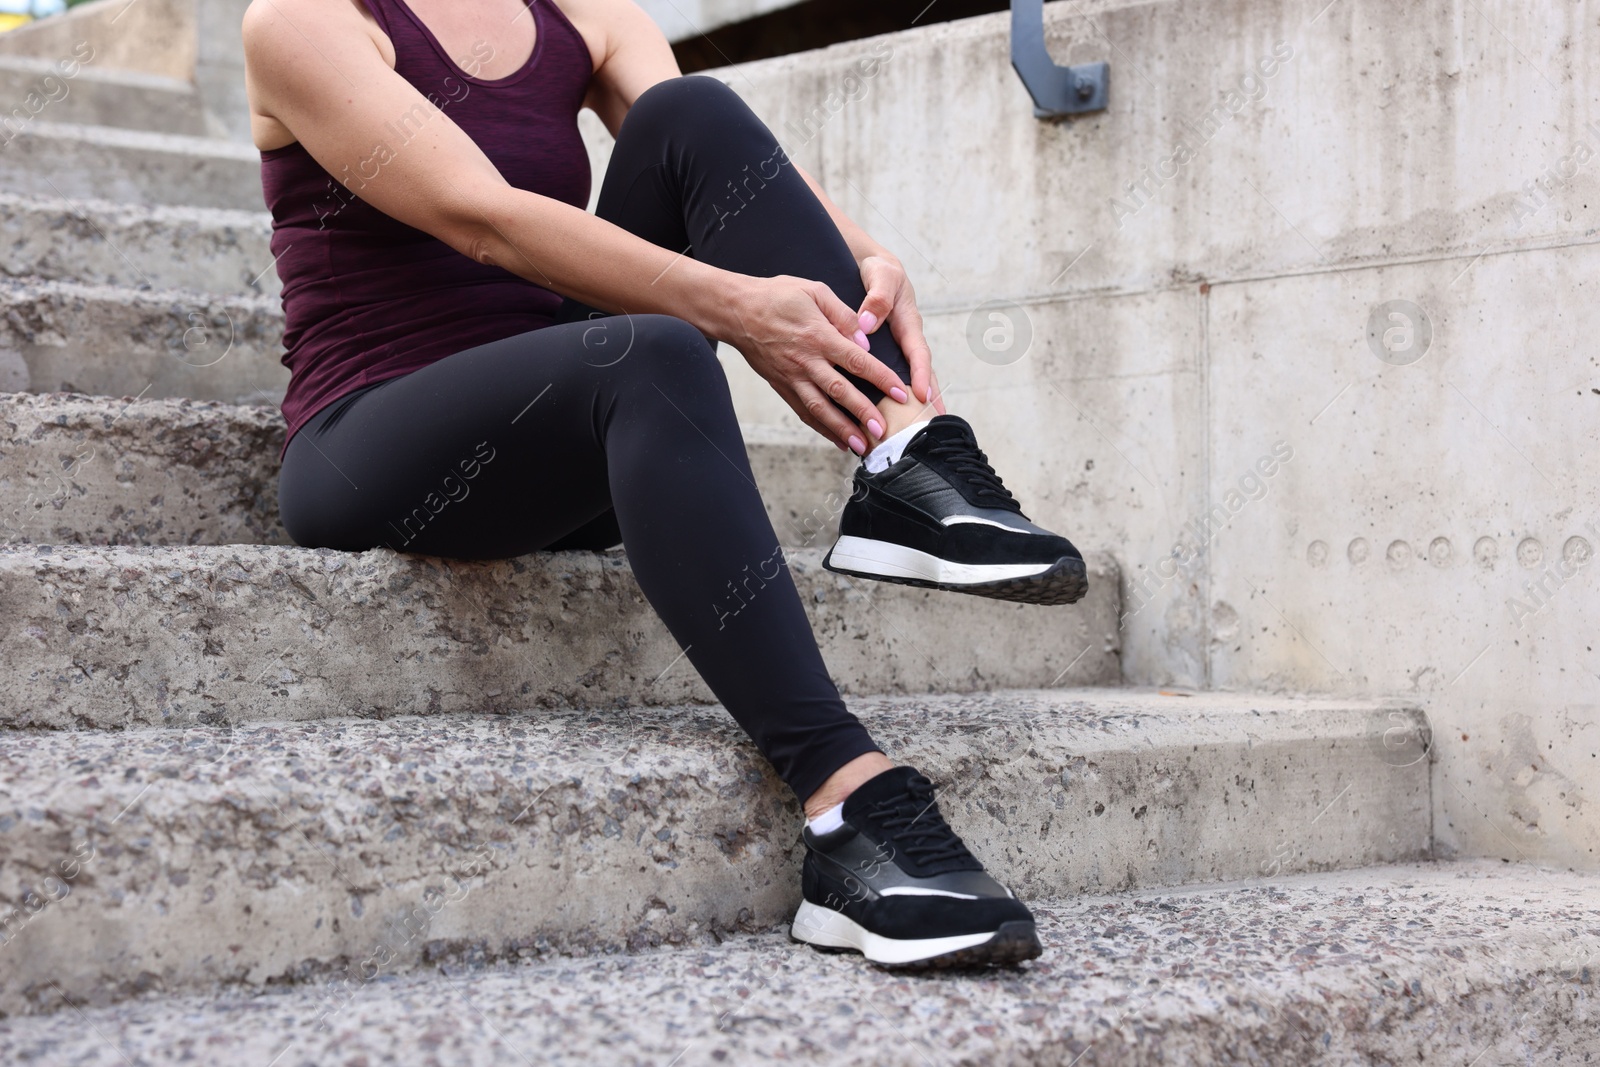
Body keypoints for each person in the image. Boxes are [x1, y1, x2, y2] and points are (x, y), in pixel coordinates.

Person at [242, 0, 1085, 968]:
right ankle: (849, 809)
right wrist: (736, 307)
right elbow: (485, 219)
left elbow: (734, 164)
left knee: (693, 114)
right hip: (375, 439)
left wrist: (863, 256)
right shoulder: (300, 20)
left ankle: (902, 454)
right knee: (656, 351)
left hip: (564, 432)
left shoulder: (581, 11)